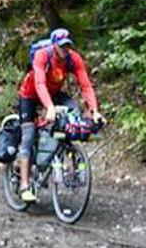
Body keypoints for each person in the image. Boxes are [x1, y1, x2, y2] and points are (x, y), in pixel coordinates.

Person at [15, 27, 102, 202]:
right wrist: (50, 107)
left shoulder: (73, 58)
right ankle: (24, 185)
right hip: (30, 94)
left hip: (54, 94)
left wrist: (94, 111)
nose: (65, 49)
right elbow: (39, 83)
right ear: (54, 45)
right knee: (29, 134)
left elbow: (85, 85)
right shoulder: (42, 56)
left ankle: (60, 154)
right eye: (62, 46)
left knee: (74, 112)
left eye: (67, 46)